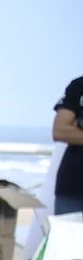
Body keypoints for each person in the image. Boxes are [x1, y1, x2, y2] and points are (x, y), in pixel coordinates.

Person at [53, 76, 83, 216]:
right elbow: (60, 131)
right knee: (68, 237)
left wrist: (78, 128)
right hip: (73, 188)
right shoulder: (79, 85)